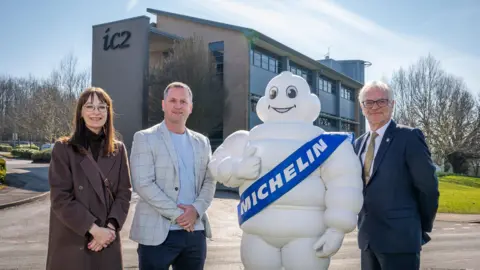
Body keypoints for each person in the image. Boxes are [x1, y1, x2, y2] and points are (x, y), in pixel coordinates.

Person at [208, 71, 364, 270]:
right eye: (274, 94)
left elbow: (344, 183)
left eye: (291, 93)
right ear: (264, 103)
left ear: (310, 104)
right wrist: (237, 169)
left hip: (307, 236)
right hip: (257, 234)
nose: (281, 100)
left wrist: (337, 228)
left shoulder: (326, 144)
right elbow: (216, 165)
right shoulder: (247, 139)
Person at [129, 82, 216, 270]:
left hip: (195, 232)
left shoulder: (203, 142)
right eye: (173, 100)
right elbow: (143, 184)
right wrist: (179, 216)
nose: (178, 106)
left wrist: (196, 210)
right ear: (163, 104)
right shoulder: (144, 138)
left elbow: (210, 180)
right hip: (157, 235)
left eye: (183, 101)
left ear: (190, 107)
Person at [354, 81, 439, 270]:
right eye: (369, 102)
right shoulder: (358, 144)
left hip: (400, 240)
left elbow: (428, 188)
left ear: (392, 104)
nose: (375, 107)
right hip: (367, 241)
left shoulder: (409, 137)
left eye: (381, 101)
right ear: (362, 107)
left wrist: (418, 226)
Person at [46, 87, 132, 270]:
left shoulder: (119, 150)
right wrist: (94, 230)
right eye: (90, 106)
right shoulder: (63, 149)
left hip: (107, 239)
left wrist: (109, 229)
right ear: (81, 112)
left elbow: (124, 193)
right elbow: (60, 198)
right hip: (73, 238)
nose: (96, 112)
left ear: (108, 113)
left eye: (102, 107)